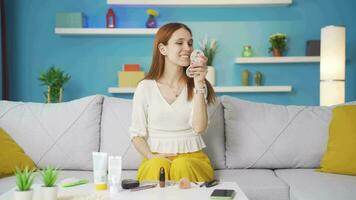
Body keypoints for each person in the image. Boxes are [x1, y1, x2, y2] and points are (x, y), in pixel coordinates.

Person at [130, 22, 217, 182]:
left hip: (192, 159)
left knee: (181, 165)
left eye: (190, 43)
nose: (188, 48)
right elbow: (136, 135)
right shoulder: (145, 87)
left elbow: (199, 128)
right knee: (158, 166)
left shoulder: (197, 84)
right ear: (163, 49)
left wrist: (199, 84)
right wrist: (150, 156)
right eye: (180, 43)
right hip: (156, 157)